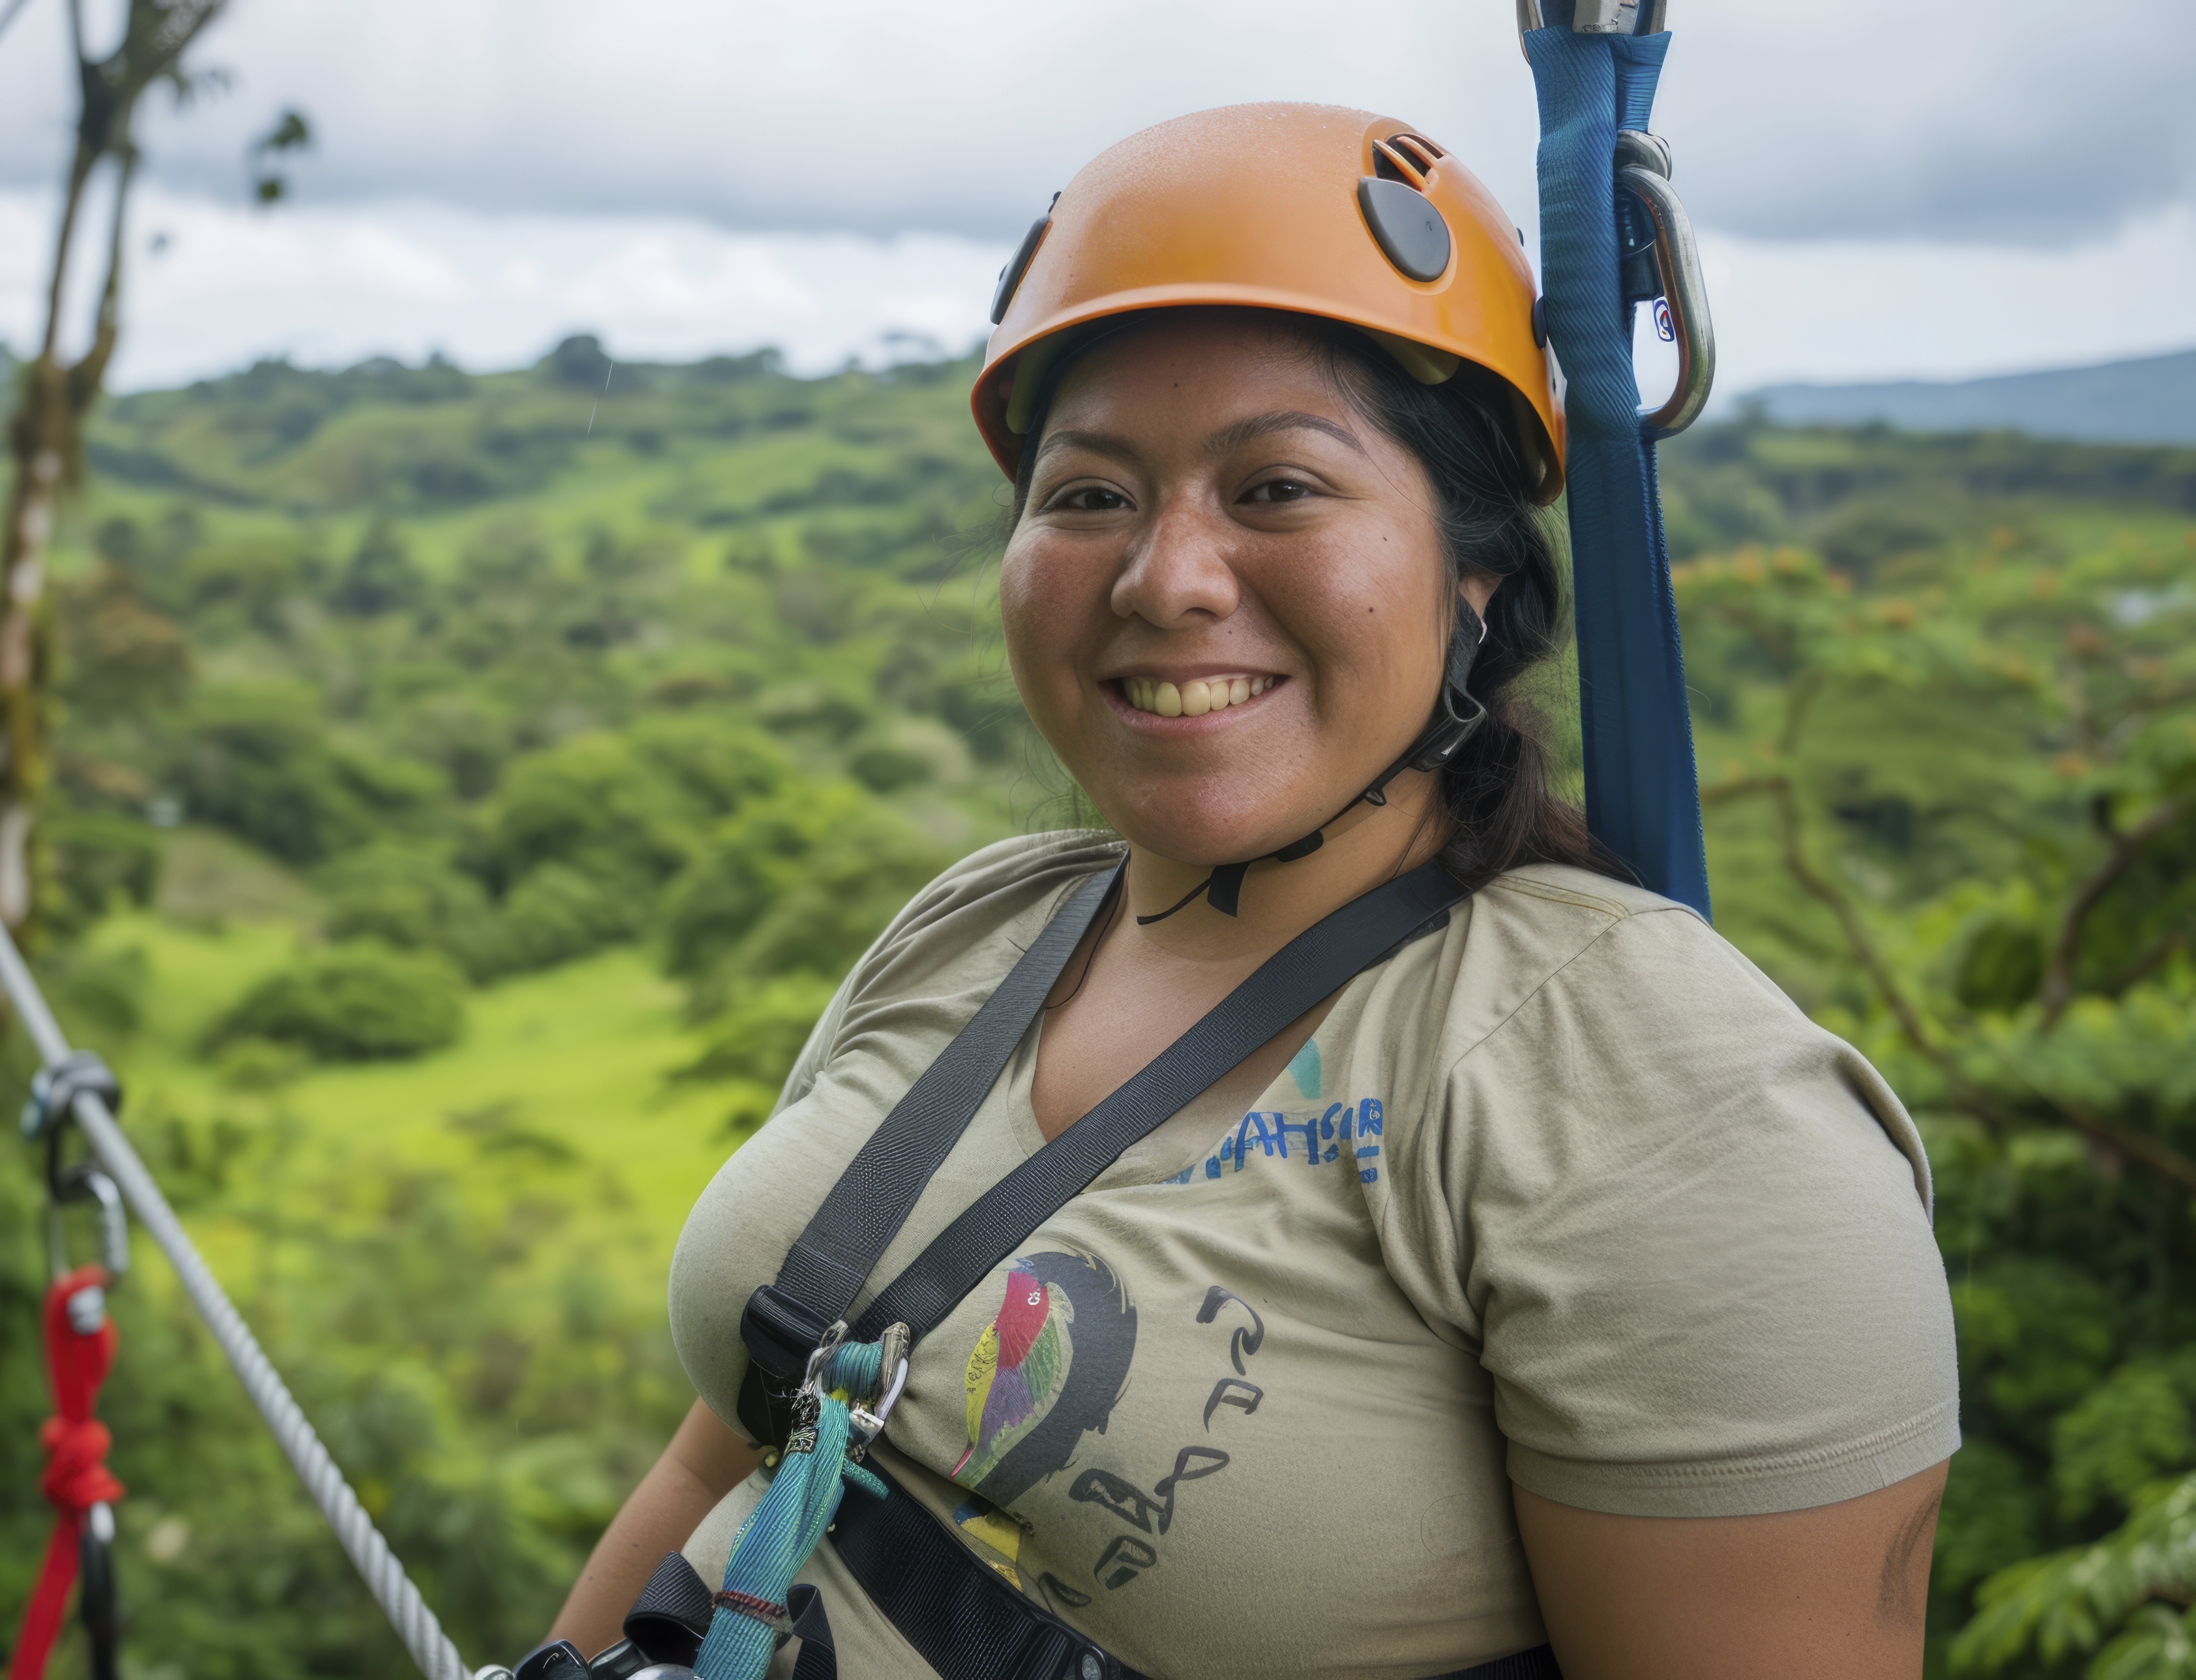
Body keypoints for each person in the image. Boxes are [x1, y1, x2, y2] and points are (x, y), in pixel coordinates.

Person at [540, 104, 1957, 1679]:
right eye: (1088, 497)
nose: (1169, 578)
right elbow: (729, 1460)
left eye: (1278, 488)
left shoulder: (1660, 1106)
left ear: (1474, 577)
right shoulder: (983, 928)